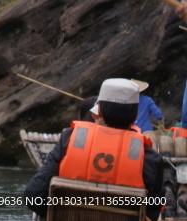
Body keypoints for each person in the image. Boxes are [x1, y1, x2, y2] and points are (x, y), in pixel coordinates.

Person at [23, 78, 164, 220]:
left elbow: (33, 197)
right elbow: (152, 212)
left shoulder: (69, 139)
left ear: (98, 112)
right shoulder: (150, 157)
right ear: (135, 117)